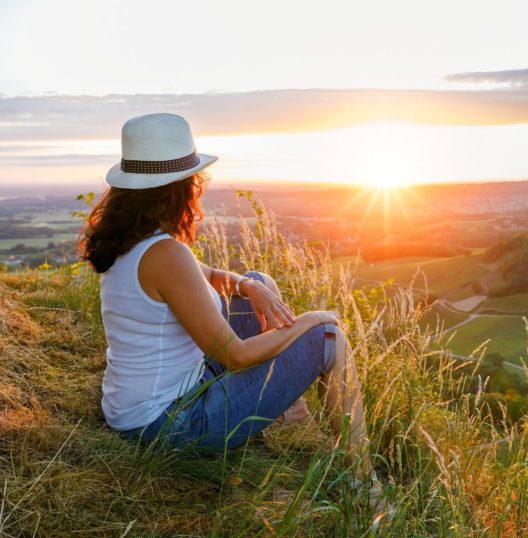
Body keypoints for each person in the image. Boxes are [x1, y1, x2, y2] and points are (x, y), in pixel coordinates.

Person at [78, 113, 382, 500]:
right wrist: (312, 320)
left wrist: (246, 285)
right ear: (180, 188)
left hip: (141, 406)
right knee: (329, 338)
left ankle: (291, 412)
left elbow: (211, 276)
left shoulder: (132, 242)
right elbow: (236, 356)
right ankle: (364, 483)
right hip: (169, 425)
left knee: (258, 281)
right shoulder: (167, 255)